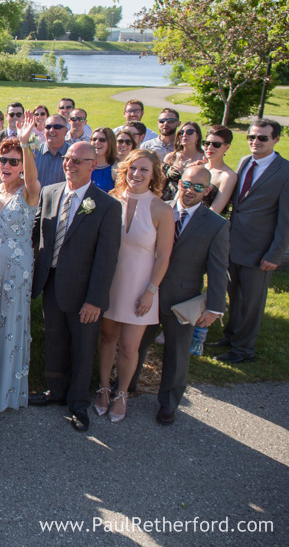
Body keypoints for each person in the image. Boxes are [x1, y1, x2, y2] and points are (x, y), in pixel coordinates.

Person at [29, 142, 122, 433]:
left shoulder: (107, 205)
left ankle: (78, 403)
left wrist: (95, 299)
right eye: (68, 159)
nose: (70, 164)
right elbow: (36, 233)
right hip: (52, 282)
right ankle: (55, 391)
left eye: (78, 161)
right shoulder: (49, 192)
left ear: (93, 165)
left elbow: (107, 258)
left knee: (82, 348)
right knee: (55, 339)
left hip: (84, 291)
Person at [128, 166, 229, 424]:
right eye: (187, 184)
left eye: (198, 187)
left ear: (207, 191)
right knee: (134, 344)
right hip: (147, 292)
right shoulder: (158, 208)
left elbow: (218, 270)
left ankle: (169, 404)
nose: (190, 190)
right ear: (179, 183)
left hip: (181, 301)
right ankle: (126, 385)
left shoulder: (216, 225)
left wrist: (215, 307)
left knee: (177, 353)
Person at [97, 150, 173, 422]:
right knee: (106, 337)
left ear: (154, 175)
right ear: (124, 171)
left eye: (144, 170)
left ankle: (122, 393)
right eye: (132, 169)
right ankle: (104, 388)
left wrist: (150, 291)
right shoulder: (111, 201)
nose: (136, 175)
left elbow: (164, 255)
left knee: (129, 347)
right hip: (110, 281)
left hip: (140, 285)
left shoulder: (162, 209)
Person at [0, 116, 42, 414]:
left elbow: (31, 179)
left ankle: (4, 394)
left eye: (13, 162)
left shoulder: (29, 192)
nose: (6, 166)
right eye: (2, 160)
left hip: (17, 269)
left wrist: (25, 143)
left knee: (10, 325)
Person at [214, 119, 289, 363]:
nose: (255, 142)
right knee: (234, 295)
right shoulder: (245, 161)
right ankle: (231, 336)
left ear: (276, 139)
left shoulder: (285, 172)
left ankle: (243, 350)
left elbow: (285, 219)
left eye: (262, 138)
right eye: (251, 137)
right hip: (234, 244)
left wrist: (275, 254)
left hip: (260, 250)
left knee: (251, 303)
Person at [161, 122, 205, 200]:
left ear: (197, 136)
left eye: (189, 132)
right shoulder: (170, 157)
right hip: (166, 201)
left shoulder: (204, 159)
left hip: (191, 201)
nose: (184, 135)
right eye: (181, 132)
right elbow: (161, 183)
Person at [201, 125, 237, 215]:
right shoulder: (198, 167)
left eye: (216, 145)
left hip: (206, 223)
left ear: (227, 147)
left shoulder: (228, 176)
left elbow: (214, 211)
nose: (209, 147)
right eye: (207, 143)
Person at [33, 114, 70, 186]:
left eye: (57, 127)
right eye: (48, 127)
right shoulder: (33, 152)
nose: (52, 130)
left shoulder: (73, 155)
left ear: (65, 131)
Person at [90, 127, 118, 192]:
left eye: (102, 140)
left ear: (110, 143)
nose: (97, 142)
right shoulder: (84, 165)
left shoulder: (116, 168)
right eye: (94, 139)